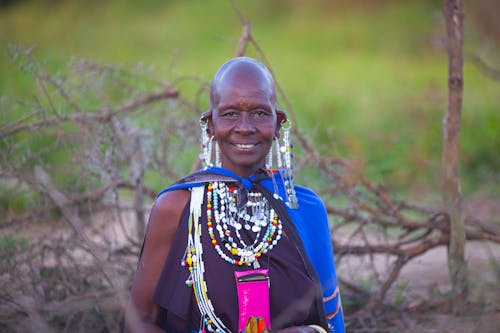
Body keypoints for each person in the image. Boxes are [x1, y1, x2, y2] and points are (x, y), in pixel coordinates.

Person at [124, 57, 344, 333]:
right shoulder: (178, 207)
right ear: (210, 125)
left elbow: (331, 323)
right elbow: (139, 322)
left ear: (278, 124)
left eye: (260, 113)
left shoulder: (305, 208)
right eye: (230, 114)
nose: (245, 127)